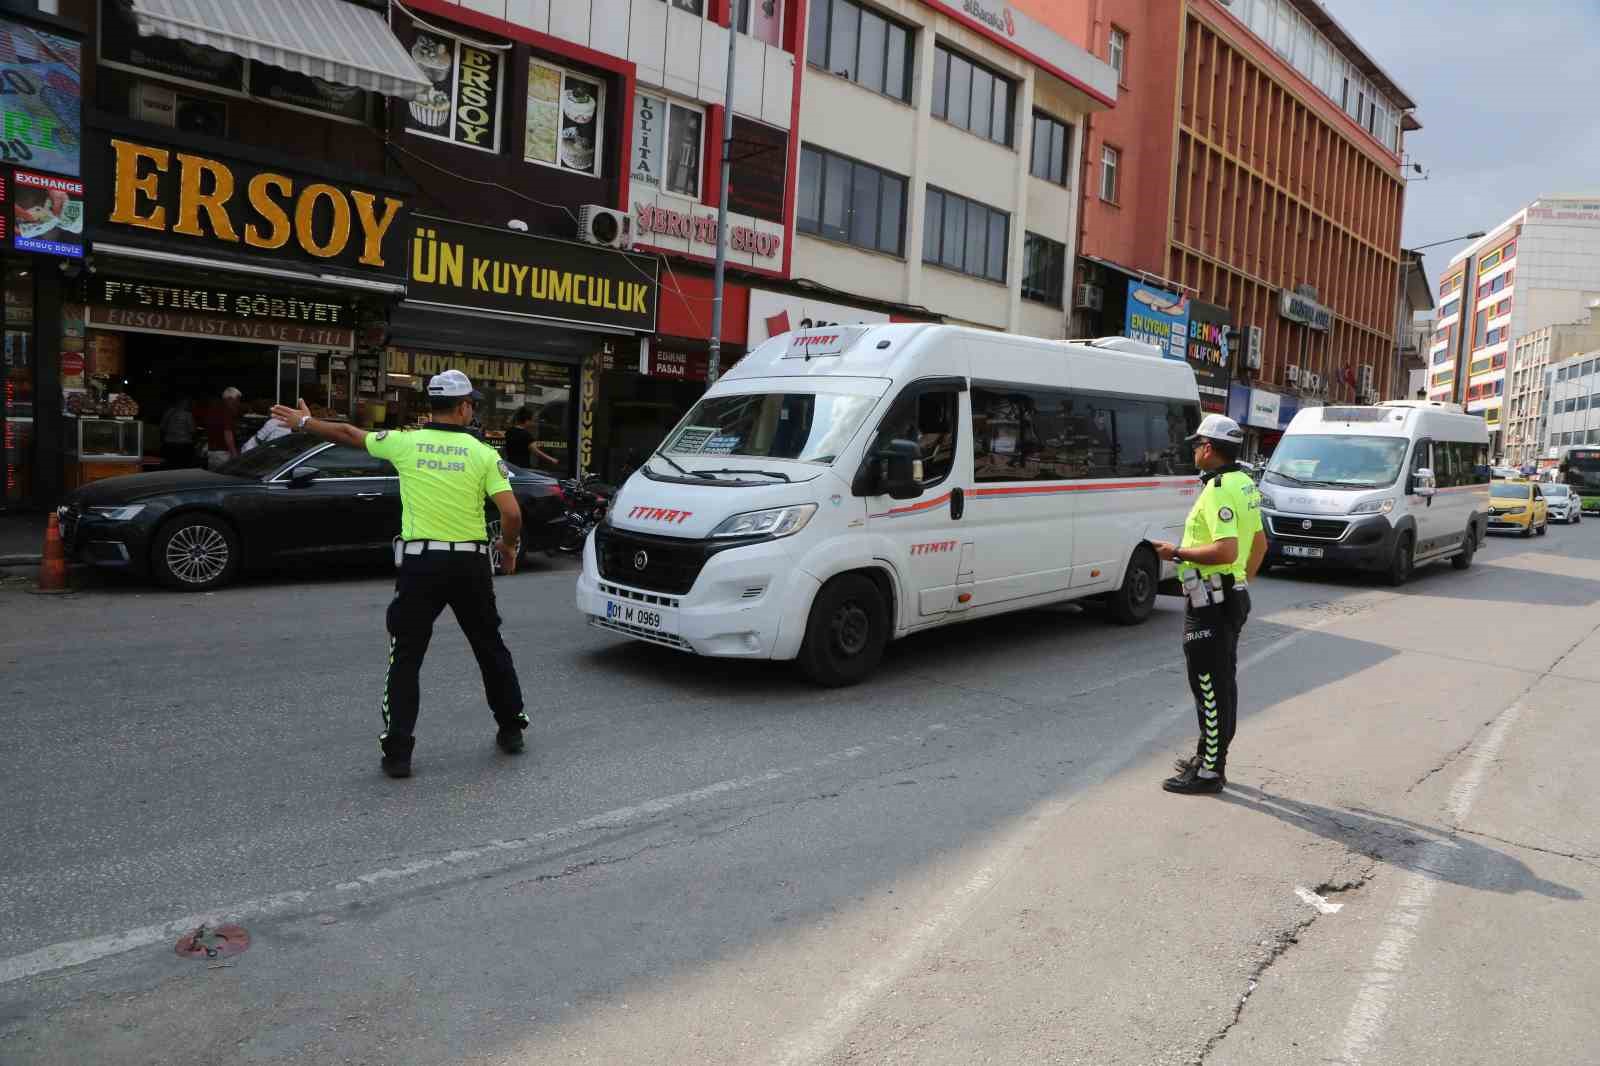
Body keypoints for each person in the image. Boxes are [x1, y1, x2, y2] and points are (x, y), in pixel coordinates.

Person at [270, 370, 528, 779]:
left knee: (406, 657)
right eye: (471, 404)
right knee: (489, 646)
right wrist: (508, 547)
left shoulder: (406, 442)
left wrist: (305, 423)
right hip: (469, 566)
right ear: (463, 407)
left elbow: (351, 435)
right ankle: (511, 728)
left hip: (420, 565)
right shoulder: (482, 454)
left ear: (432, 406)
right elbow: (511, 513)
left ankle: (398, 753)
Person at [1150, 414, 1265, 795]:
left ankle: (1211, 772)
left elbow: (1225, 548)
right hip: (1229, 594)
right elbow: (1259, 545)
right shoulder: (1244, 483)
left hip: (1211, 601)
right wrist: (1240, 582)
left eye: (1197, 445)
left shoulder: (1217, 489)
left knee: (1209, 686)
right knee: (1221, 682)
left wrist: (1176, 552)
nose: (1195, 451)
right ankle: (1208, 757)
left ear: (1209, 449)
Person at [204, 387, 242, 470]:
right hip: (223, 454)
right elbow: (228, 434)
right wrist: (234, 454)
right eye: (237, 400)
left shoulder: (213, 409)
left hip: (211, 452)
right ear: (230, 399)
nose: (238, 403)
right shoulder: (227, 411)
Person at [159, 395, 196, 470]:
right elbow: (192, 430)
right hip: (183, 444)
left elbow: (162, 427)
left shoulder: (168, 412)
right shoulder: (188, 414)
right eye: (188, 403)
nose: (189, 405)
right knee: (182, 467)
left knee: (169, 466)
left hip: (169, 444)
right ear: (184, 403)